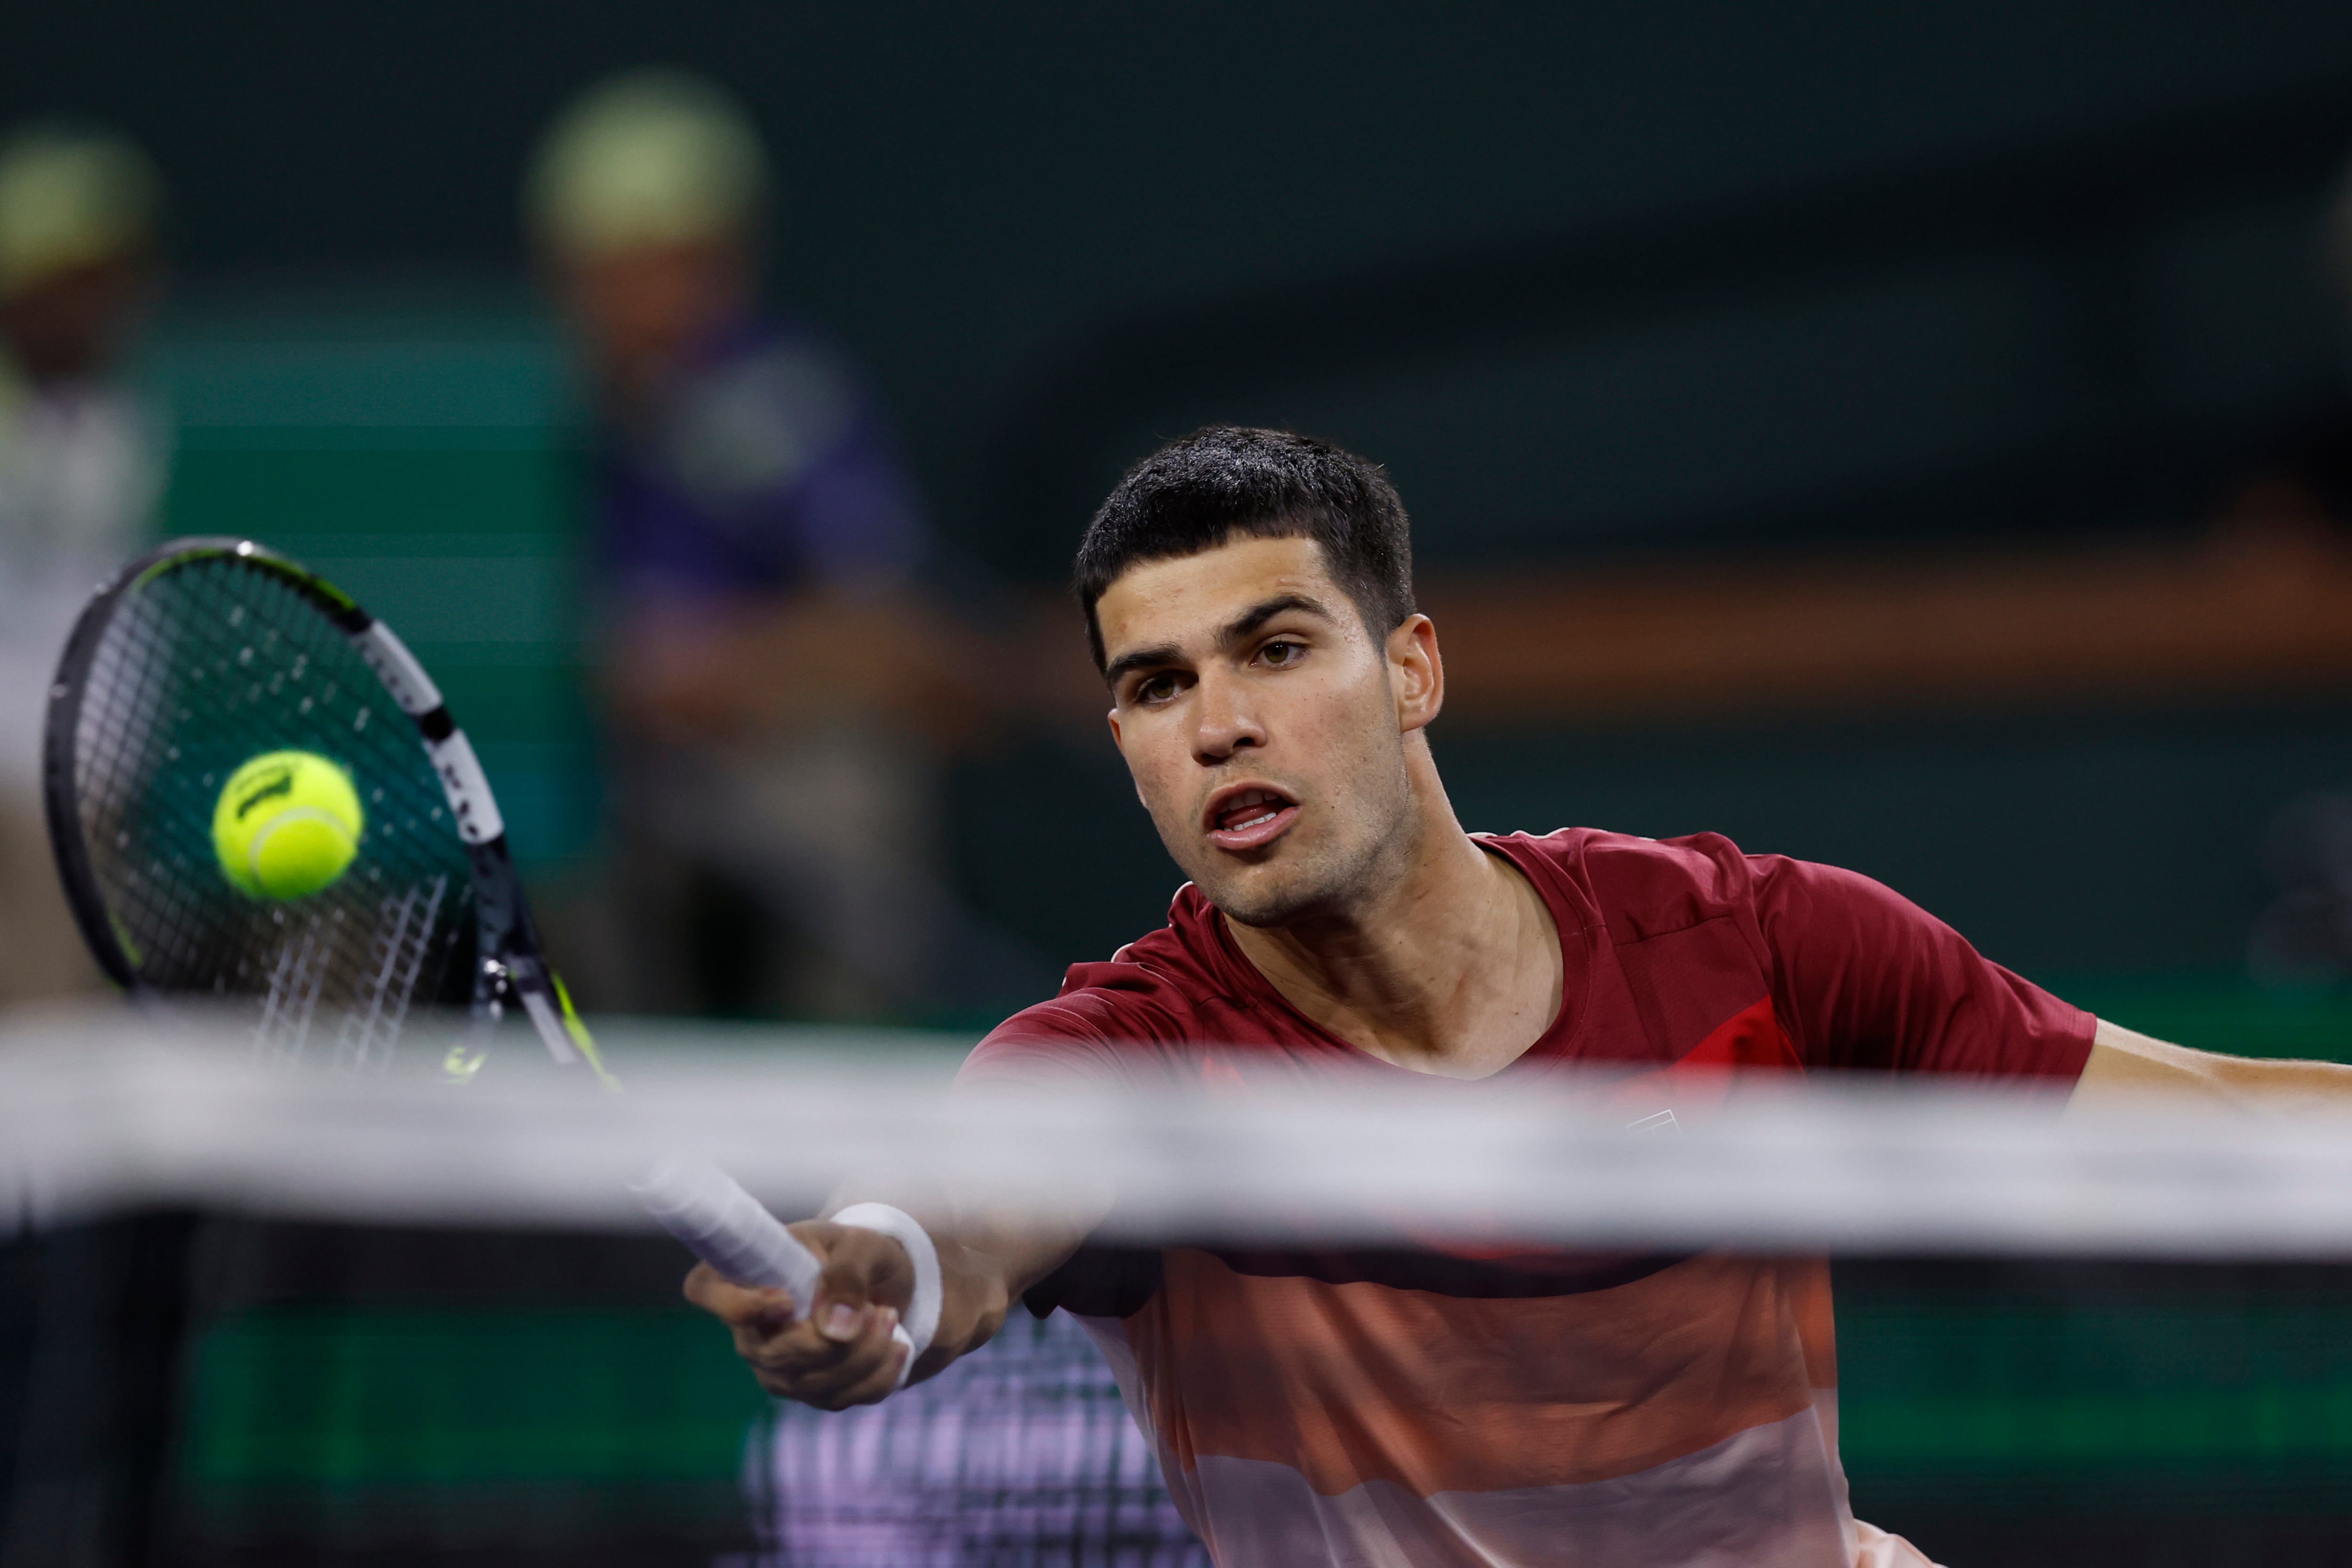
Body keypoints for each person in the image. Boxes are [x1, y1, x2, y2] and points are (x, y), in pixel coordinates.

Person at [689, 425, 2352, 1567]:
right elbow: (969, 1211)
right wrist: (888, 1265)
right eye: (1155, 685)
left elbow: (2209, 1122)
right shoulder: (1132, 1061)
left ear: (1411, 668)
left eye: (1276, 648)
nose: (1218, 724)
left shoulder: (1751, 944)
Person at [527, 70, 1034, 1021]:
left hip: (761, 749)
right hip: (580, 764)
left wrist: (728, 664)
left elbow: (879, 624)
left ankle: (845, 1118)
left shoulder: (790, 400)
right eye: (612, 265)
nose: (649, 296)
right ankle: (604, 1122)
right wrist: (608, 671)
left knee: (850, 792)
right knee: (531, 822)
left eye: (679, 259)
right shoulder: (516, 408)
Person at [0, 121, 165, 1011]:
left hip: (93, 789)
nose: (89, 302)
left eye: (104, 277)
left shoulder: (120, 421)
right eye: (62, 279)